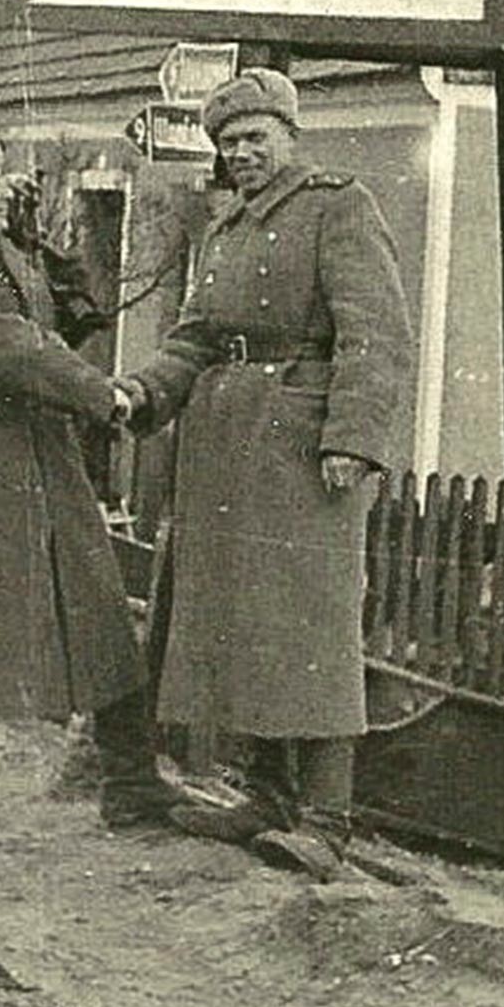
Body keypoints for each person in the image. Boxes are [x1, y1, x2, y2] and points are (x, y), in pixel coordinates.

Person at [117, 69, 412, 860]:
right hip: (225, 446)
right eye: (228, 142)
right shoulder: (227, 227)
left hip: (304, 448)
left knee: (309, 623)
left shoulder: (337, 205)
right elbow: (195, 336)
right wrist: (143, 390)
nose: (241, 153)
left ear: (289, 134)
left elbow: (376, 333)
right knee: (238, 619)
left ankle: (326, 820)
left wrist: (351, 437)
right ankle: (262, 791)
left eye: (255, 137)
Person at [0, 116, 189, 857]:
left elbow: (79, 313)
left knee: (101, 612)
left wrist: (33, 234)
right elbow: (19, 351)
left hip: (44, 461)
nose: (1, 188)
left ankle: (132, 782)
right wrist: (101, 395)